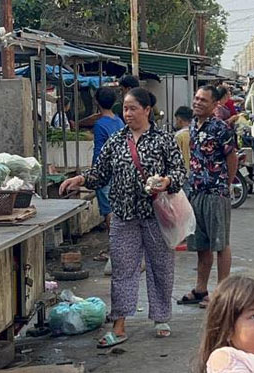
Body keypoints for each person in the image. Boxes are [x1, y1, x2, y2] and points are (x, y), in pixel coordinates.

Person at [59, 87, 187, 347]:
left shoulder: (163, 140)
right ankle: (119, 324)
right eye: (125, 109)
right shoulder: (116, 141)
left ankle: (161, 316)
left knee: (160, 266)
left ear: (147, 110)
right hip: (123, 216)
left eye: (132, 108)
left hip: (156, 215)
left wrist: (167, 180)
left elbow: (180, 172)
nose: (127, 113)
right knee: (122, 270)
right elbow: (100, 173)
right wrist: (81, 179)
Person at [178, 85, 237, 309]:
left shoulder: (221, 128)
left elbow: (232, 159)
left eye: (203, 100)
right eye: (196, 98)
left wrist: (225, 185)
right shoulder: (193, 125)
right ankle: (201, 288)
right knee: (201, 244)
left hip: (215, 192)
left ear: (215, 105)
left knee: (220, 242)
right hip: (196, 191)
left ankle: (222, 293)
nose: (198, 102)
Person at [91, 87, 125, 266]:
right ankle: (119, 248)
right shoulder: (119, 121)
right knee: (116, 210)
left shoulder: (100, 125)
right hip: (119, 171)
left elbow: (99, 151)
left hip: (105, 173)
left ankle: (116, 251)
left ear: (97, 102)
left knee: (109, 212)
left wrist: (93, 174)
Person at [174, 106, 193, 171]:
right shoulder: (195, 133)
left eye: (176, 119)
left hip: (183, 170)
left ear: (179, 120)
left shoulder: (178, 136)